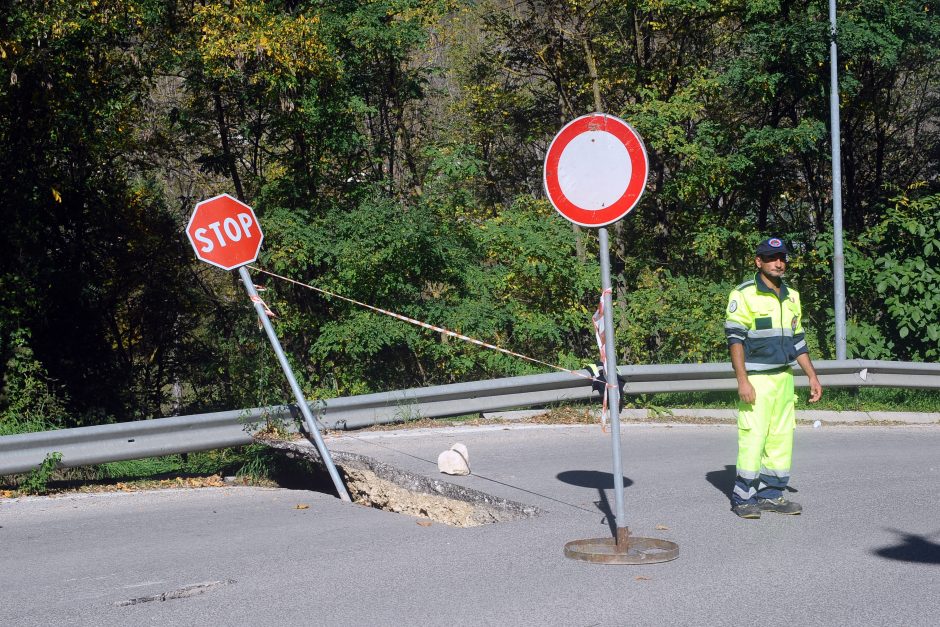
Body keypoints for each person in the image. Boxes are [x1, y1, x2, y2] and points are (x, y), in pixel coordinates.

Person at [724, 237, 823, 519]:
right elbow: (735, 341)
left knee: (781, 439)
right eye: (771, 258)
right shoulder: (743, 294)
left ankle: (771, 494)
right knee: (753, 438)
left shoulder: (792, 297)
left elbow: (798, 341)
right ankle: (743, 498)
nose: (778, 263)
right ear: (759, 262)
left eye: (782, 257)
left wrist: (812, 377)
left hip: (784, 378)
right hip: (757, 379)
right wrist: (743, 380)